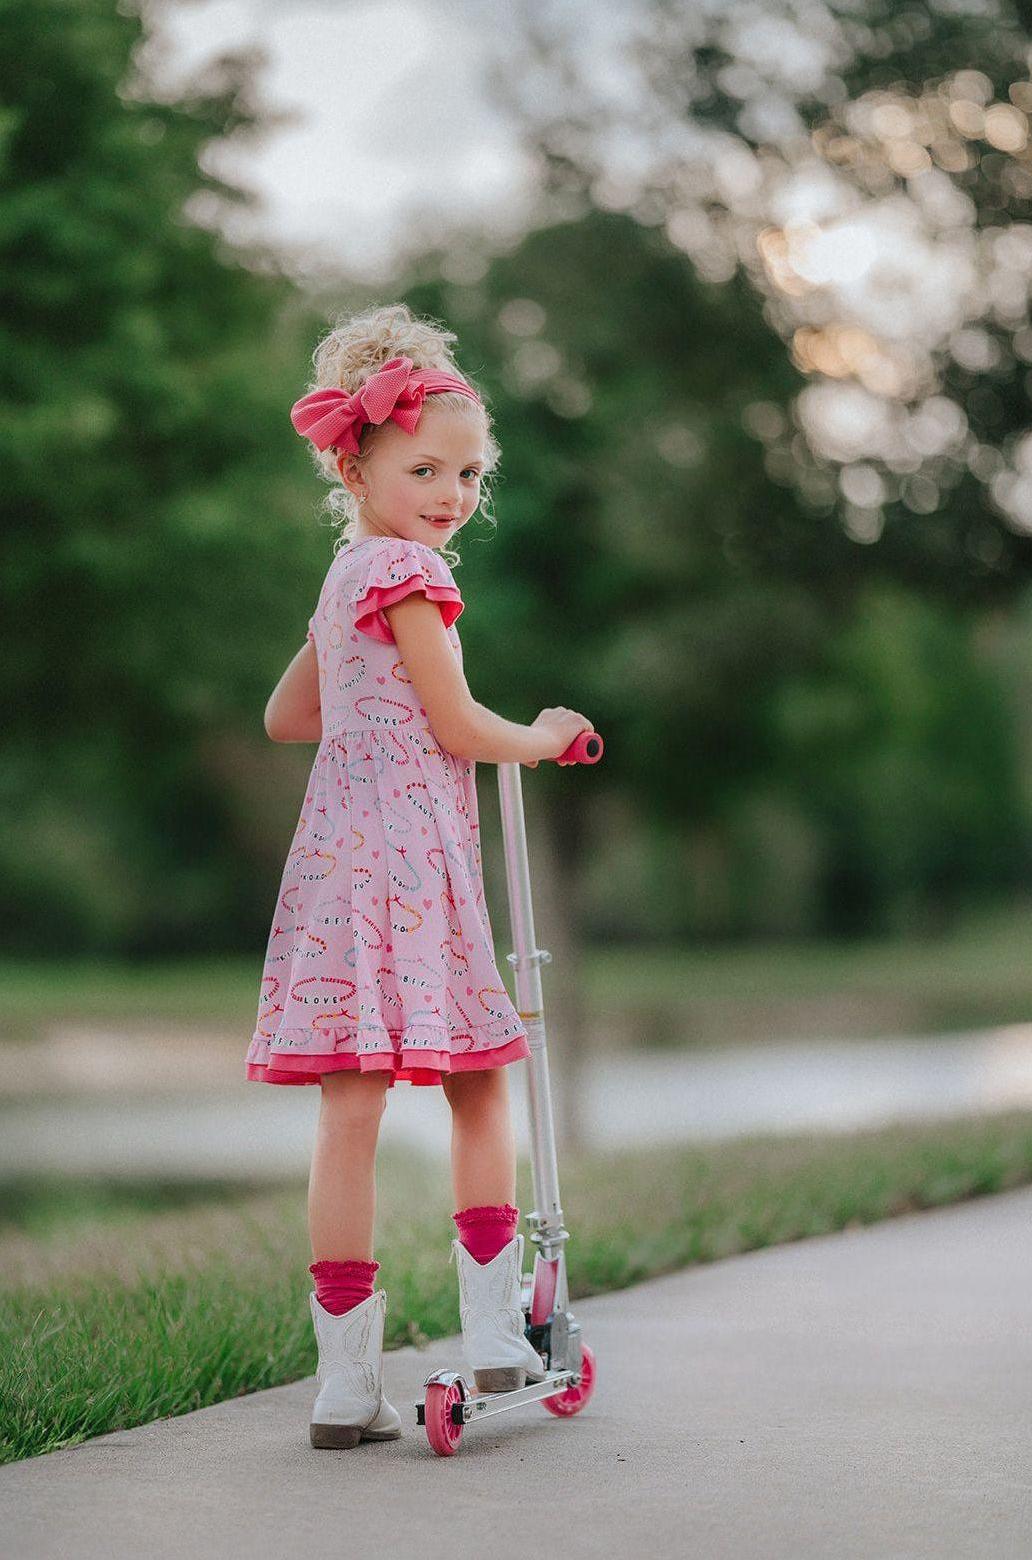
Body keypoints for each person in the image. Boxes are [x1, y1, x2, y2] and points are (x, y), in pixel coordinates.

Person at [245, 303, 595, 1449]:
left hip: (339, 864)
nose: (451, 494)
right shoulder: (409, 572)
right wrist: (542, 736)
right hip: (412, 862)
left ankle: (344, 1386)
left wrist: (357, 687)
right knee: (479, 1081)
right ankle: (495, 1338)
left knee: (349, 1109)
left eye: (468, 474)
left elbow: (287, 714)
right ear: (357, 462)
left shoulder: (347, 572)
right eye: (425, 468)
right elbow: (456, 723)